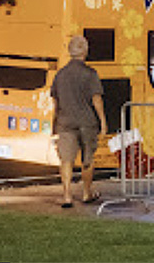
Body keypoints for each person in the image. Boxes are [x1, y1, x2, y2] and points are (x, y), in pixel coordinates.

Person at [51, 35, 107, 208]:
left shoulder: (60, 75)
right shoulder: (90, 74)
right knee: (87, 159)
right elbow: (96, 100)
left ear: (70, 52)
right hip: (87, 122)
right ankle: (86, 193)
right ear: (85, 51)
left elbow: (55, 102)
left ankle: (67, 195)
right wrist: (103, 122)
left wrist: (54, 123)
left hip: (65, 122)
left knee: (66, 160)